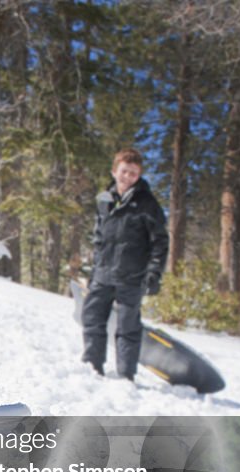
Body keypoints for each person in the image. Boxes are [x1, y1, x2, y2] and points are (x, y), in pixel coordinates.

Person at [81, 148, 169, 381]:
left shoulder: (147, 204)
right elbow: (99, 238)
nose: (128, 176)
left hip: (133, 276)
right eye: (124, 171)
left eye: (133, 173)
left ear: (139, 175)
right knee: (91, 318)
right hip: (103, 273)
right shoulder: (104, 200)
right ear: (114, 171)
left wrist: (154, 274)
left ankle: (126, 375)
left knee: (128, 327)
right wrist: (95, 269)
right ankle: (93, 366)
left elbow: (160, 242)